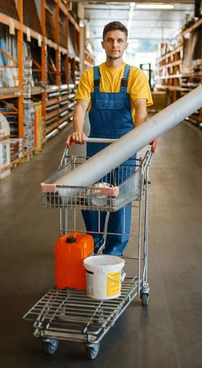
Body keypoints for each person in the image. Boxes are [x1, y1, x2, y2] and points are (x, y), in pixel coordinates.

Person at [71, 21, 153, 256]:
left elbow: (140, 108)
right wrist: (79, 130)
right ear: (103, 44)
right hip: (97, 145)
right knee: (93, 197)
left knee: (121, 199)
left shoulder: (135, 75)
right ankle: (94, 245)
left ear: (126, 44)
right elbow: (80, 107)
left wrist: (140, 133)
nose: (114, 44)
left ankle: (114, 252)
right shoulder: (91, 75)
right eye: (110, 40)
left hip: (125, 146)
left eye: (119, 40)